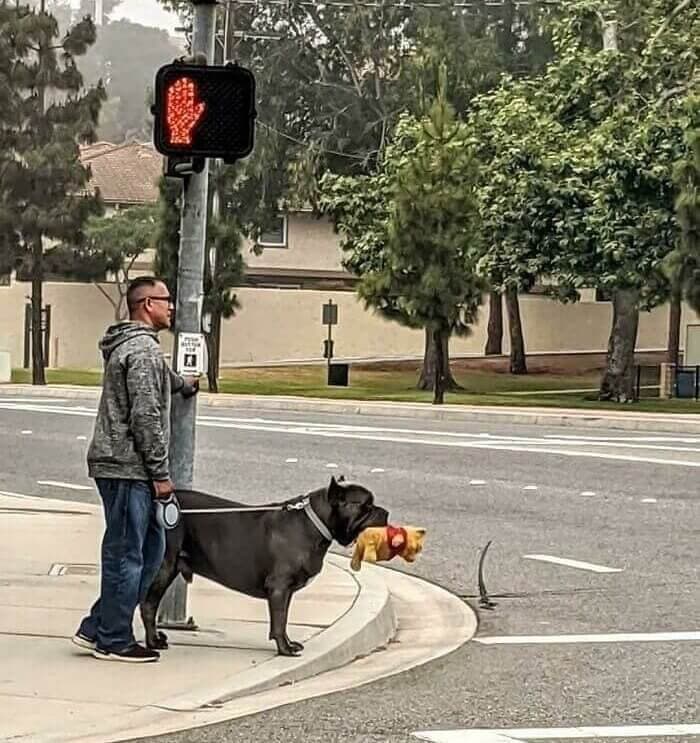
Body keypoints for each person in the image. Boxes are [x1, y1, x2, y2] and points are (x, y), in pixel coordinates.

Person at [73, 276, 199, 663]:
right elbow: (146, 416)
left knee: (150, 549)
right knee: (128, 553)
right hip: (128, 468)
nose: (172, 306)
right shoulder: (142, 351)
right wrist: (161, 476)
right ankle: (112, 639)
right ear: (147, 305)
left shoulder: (136, 348)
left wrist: (182, 384)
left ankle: (97, 626)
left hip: (126, 467)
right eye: (166, 300)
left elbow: (155, 383)